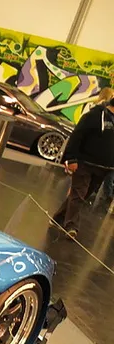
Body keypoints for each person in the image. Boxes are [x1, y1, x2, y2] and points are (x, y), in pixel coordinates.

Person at [53, 94, 114, 237]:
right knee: (78, 194)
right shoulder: (94, 116)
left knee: (82, 195)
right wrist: (71, 159)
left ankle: (58, 218)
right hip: (84, 163)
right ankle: (71, 227)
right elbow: (77, 136)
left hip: (104, 167)